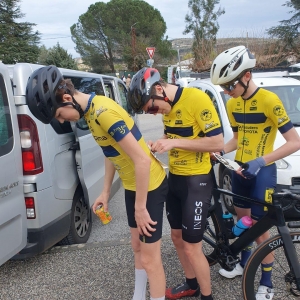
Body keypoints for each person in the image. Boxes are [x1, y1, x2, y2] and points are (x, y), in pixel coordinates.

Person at [25, 65, 169, 300]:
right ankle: (138, 295)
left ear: (67, 98)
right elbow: (110, 151)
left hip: (150, 185)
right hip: (133, 185)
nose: (64, 121)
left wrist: (141, 207)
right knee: (136, 246)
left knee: (150, 259)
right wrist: (104, 192)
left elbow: (142, 160)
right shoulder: (89, 112)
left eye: (60, 115)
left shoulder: (103, 112)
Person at [210, 45, 300, 300]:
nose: (228, 92)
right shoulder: (232, 104)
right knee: (243, 224)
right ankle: (244, 265)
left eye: (230, 86)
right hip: (240, 171)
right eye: (224, 88)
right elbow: (237, 140)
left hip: (262, 172)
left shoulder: (270, 101)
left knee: (260, 229)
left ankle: (267, 280)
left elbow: (295, 142)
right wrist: (219, 151)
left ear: (246, 76)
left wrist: (261, 161)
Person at [128, 67, 224, 300]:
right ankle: (191, 284)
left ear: (159, 89)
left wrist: (174, 143)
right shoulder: (167, 107)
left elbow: (217, 142)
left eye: (151, 107)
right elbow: (172, 136)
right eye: (147, 112)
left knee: (193, 247)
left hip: (197, 181)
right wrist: (160, 142)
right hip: (175, 180)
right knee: (177, 237)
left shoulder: (196, 99)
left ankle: (207, 296)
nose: (153, 113)